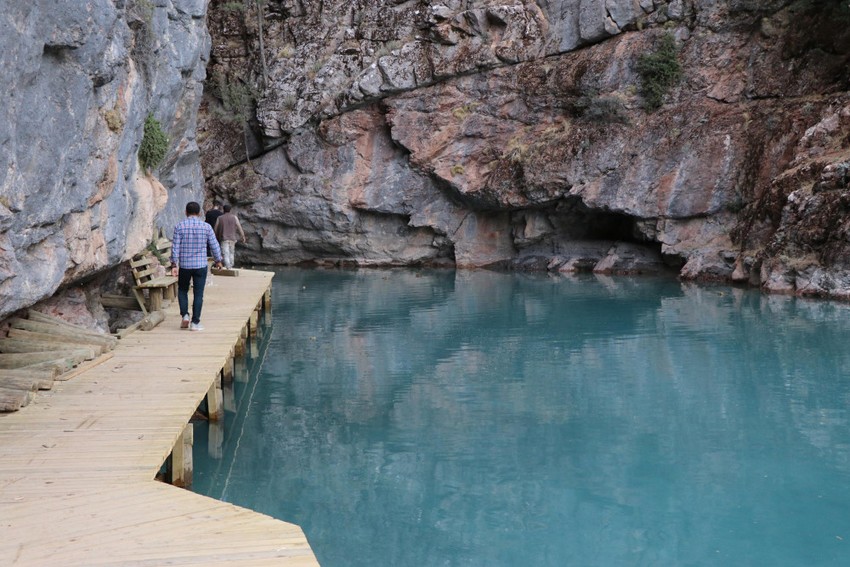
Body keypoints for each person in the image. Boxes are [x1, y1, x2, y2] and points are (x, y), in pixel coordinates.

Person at [171, 201, 223, 331]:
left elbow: (175, 247)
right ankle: (195, 323)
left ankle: (185, 315)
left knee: (182, 290)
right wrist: (218, 260)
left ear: (186, 212)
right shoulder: (206, 227)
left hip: (185, 266)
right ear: (200, 213)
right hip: (200, 265)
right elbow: (214, 245)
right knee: (198, 293)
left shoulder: (180, 226)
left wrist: (173, 264)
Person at [214, 204, 247, 269]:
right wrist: (243, 236)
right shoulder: (234, 217)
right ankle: (231, 265)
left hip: (224, 238)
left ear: (223, 209)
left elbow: (215, 228)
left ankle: (228, 266)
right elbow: (239, 227)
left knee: (225, 253)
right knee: (231, 252)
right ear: (230, 210)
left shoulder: (219, 218)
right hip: (233, 238)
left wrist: (215, 236)